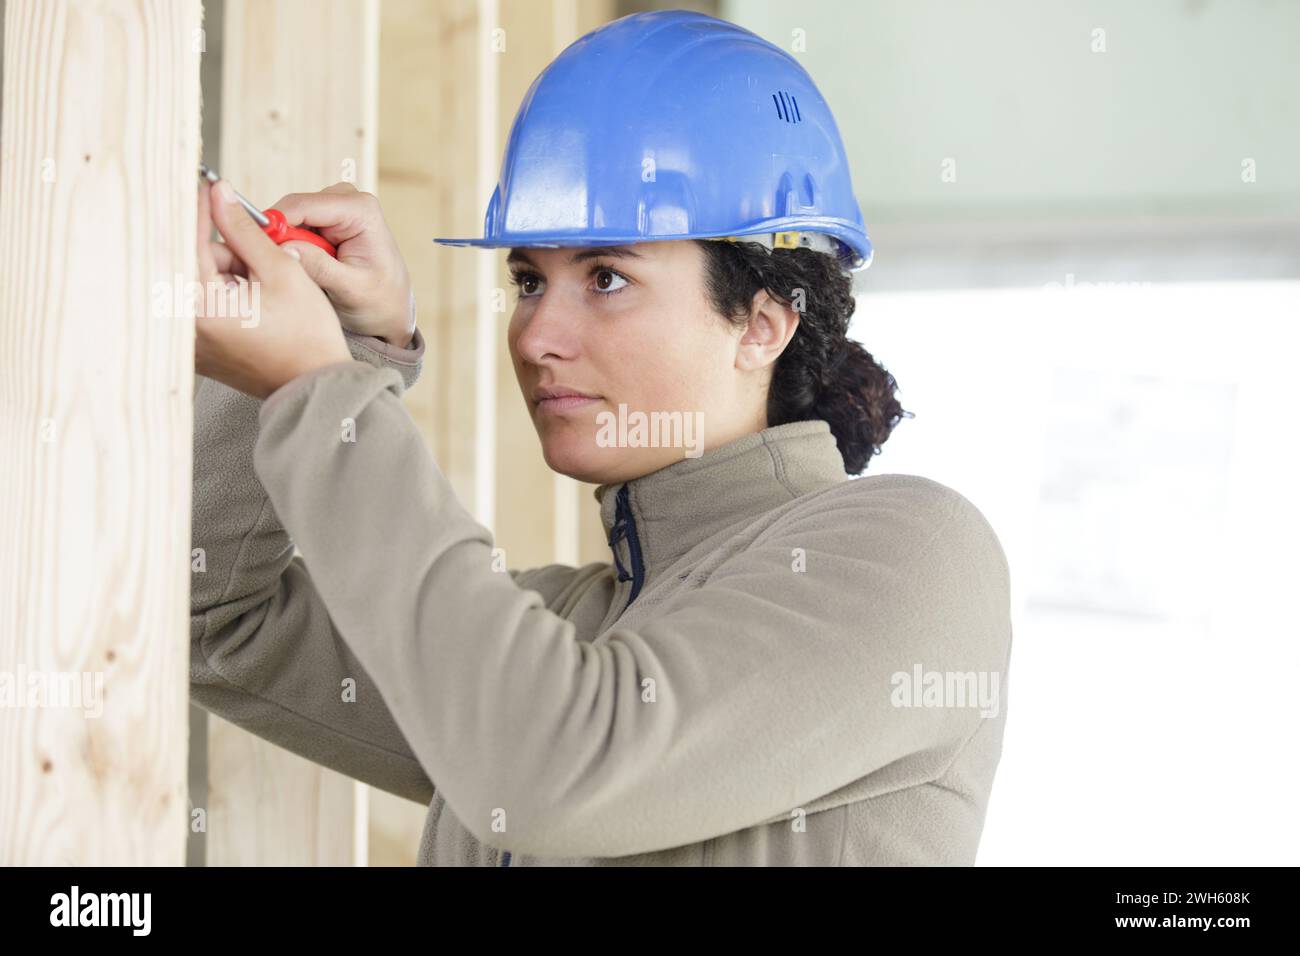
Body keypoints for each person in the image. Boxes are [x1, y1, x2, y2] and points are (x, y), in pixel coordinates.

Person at [190, 10, 1011, 866]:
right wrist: (345, 344)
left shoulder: (914, 554)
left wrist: (326, 392)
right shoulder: (563, 631)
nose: (536, 334)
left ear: (762, 324)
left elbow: (551, 770)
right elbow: (217, 620)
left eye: (607, 277)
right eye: (528, 280)